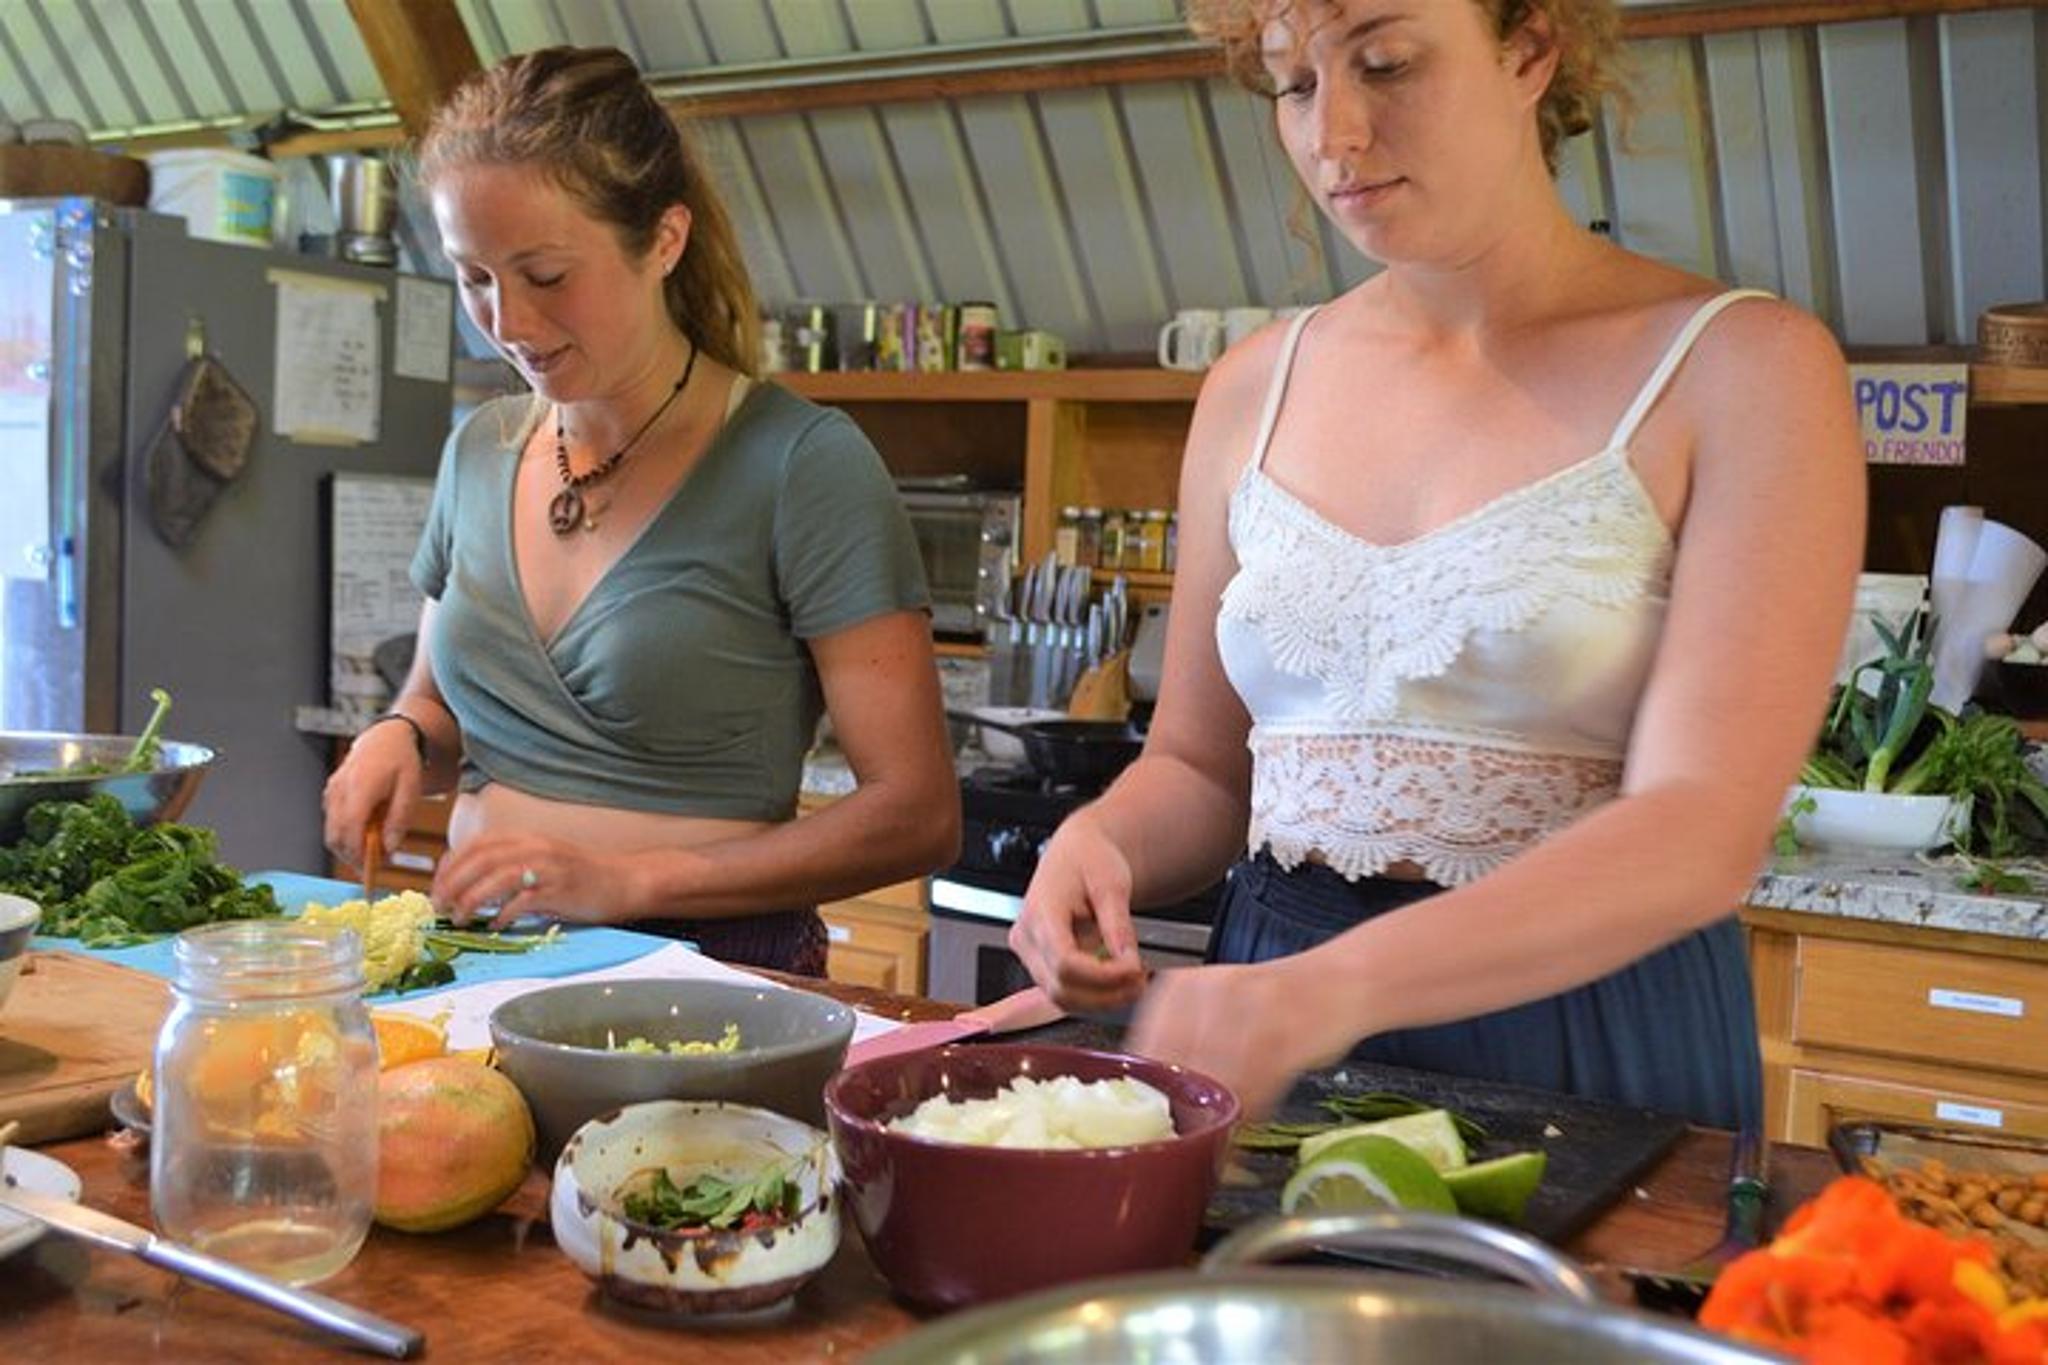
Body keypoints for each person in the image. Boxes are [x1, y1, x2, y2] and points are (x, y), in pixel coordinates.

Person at [1008, 0, 1864, 1125]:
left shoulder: (1742, 368)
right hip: (1273, 1003)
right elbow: (1206, 774)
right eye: (1293, 84)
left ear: (1529, 51)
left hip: (1587, 1030)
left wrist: (1333, 991)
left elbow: (1700, 827)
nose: (1334, 136)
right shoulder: (1251, 387)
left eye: (1387, 64)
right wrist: (1100, 838)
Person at [323, 47, 960, 977]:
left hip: (704, 974)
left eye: (545, 274)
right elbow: (435, 699)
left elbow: (918, 815)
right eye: (474, 278)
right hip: (474, 959)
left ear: (664, 241)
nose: (507, 322)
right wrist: (401, 734)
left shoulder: (801, 466)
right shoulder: (478, 448)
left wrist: (627, 882)